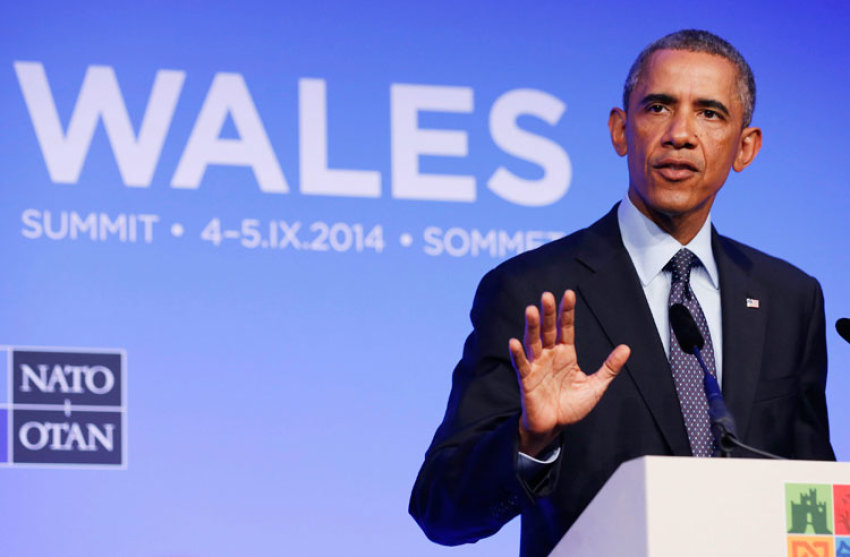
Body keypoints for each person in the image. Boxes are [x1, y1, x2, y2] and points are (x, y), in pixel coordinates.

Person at [409, 29, 835, 557]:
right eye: (658, 107)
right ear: (619, 129)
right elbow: (441, 510)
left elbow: (815, 502)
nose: (680, 133)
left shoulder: (789, 298)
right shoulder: (533, 290)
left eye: (709, 113)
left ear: (745, 146)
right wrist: (530, 440)